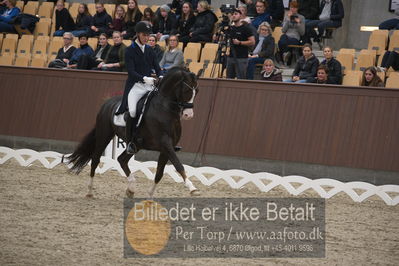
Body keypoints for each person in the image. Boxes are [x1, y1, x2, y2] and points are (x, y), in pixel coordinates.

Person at [115, 21, 161, 154]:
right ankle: (130, 142)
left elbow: (158, 68)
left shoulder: (150, 50)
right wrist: (144, 78)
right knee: (134, 111)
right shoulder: (130, 50)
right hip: (135, 86)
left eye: (148, 35)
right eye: (144, 35)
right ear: (138, 34)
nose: (147, 38)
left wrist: (161, 76)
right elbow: (131, 71)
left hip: (148, 86)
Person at [225, 8, 255, 79]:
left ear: (241, 16)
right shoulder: (230, 28)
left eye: (236, 14)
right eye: (232, 14)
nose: (234, 16)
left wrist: (240, 42)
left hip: (241, 57)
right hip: (231, 56)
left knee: (240, 78)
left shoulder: (246, 28)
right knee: (229, 78)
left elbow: (252, 42)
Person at [278, 1, 305, 65]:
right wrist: (288, 19)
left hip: (295, 38)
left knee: (283, 42)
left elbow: (302, 33)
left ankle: (284, 57)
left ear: (297, 8)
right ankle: (286, 54)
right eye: (291, 7)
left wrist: (298, 23)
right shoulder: (287, 16)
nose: (292, 9)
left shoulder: (301, 17)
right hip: (286, 36)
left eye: (294, 8)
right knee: (282, 38)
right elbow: (283, 30)